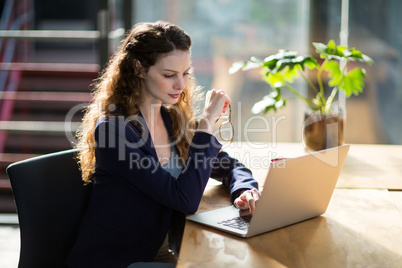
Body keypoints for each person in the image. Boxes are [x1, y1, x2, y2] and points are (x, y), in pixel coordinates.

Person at [66, 21, 260, 268]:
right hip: (121, 260)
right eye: (169, 75)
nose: (181, 85)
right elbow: (184, 198)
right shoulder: (113, 131)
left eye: (185, 73)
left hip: (161, 250)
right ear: (138, 68)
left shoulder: (170, 119)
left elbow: (228, 165)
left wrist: (244, 190)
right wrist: (207, 123)